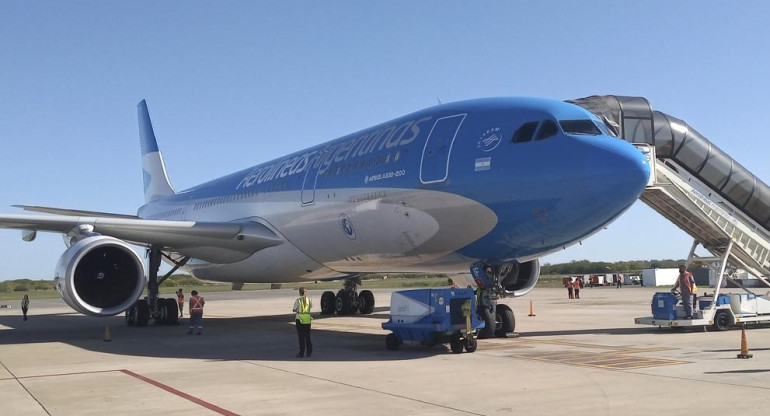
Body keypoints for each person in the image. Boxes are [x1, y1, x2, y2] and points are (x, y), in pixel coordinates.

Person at [292, 287, 313, 358]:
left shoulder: (298, 300)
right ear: (305, 292)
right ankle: (309, 352)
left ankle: (301, 353)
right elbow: (310, 307)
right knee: (308, 337)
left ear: (299, 293)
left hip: (299, 320)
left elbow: (294, 309)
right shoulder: (309, 300)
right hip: (307, 320)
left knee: (301, 337)